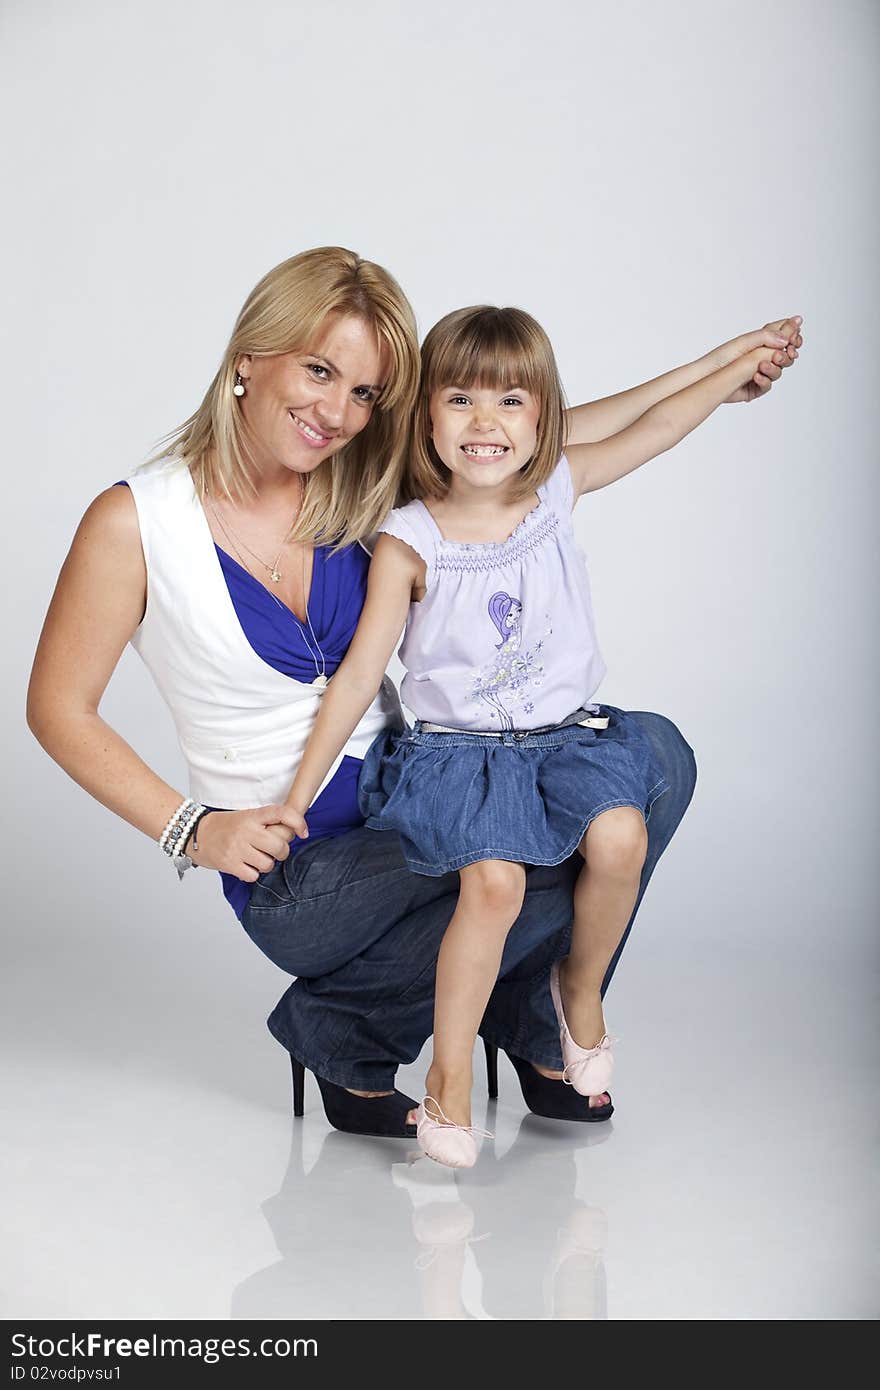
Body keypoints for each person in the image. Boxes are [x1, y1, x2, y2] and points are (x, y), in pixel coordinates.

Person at [26, 247, 802, 1142]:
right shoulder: (135, 522)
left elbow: (535, 441)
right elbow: (59, 709)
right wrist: (194, 829)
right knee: (523, 859)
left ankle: (514, 1018)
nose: (335, 413)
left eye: (363, 395)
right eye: (320, 371)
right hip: (302, 865)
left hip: (412, 788)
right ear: (249, 358)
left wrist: (721, 369)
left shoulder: (359, 483)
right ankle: (357, 1030)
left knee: (645, 768)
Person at [282, 303, 802, 1166]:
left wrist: (732, 361)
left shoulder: (558, 487)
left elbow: (665, 421)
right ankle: (448, 1076)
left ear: (542, 419)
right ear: (427, 417)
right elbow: (360, 676)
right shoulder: (410, 540)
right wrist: (295, 798)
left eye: (510, 404)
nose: (485, 424)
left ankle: (578, 993)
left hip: (564, 739)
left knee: (622, 834)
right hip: (459, 757)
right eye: (460, 401)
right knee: (493, 886)